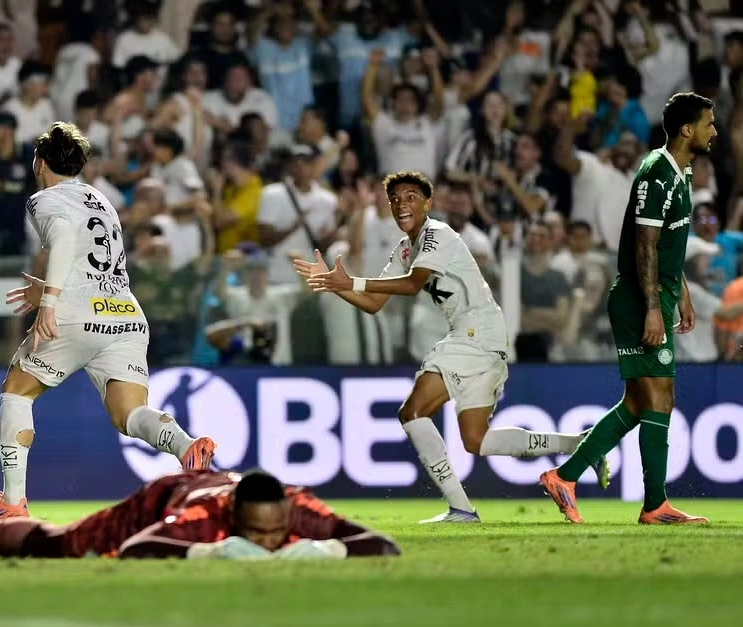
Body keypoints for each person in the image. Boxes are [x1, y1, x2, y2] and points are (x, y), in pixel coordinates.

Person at [296, 170, 607, 523]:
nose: (401, 204)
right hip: (480, 334)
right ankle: (580, 445)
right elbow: (373, 302)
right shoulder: (405, 248)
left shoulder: (437, 234)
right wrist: (333, 284)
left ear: (428, 203)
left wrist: (349, 278)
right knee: (477, 440)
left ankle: (461, 509)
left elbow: (414, 284)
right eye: (395, 199)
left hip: (475, 332)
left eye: (411, 196)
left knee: (412, 412)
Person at [0, 121, 216, 523]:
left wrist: (49, 302)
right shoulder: (101, 201)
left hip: (76, 315)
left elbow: (67, 240)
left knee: (16, 391)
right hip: (124, 314)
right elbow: (92, 261)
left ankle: (13, 504)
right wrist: (54, 290)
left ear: (39, 162)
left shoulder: (45, 199)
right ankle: (187, 447)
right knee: (130, 415)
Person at [539, 93, 718, 525]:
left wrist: (684, 293)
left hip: (660, 293)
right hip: (640, 298)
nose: (714, 132)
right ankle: (652, 503)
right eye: (708, 124)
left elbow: (670, 244)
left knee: (640, 404)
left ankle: (566, 477)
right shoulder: (657, 172)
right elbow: (645, 243)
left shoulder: (681, 172)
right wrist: (654, 307)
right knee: (658, 397)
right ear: (686, 130)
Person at [0, 469, 400, 560]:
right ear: (233, 518)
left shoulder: (301, 510)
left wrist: (323, 549)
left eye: (275, 534)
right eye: (254, 534)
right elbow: (137, 549)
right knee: (59, 546)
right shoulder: (205, 519)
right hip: (165, 499)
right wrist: (213, 552)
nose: (266, 543)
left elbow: (382, 545)